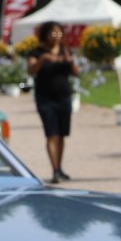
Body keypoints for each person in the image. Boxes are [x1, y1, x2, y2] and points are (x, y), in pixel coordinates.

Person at [27, 21, 75, 183]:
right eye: (53, 33)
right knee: (51, 134)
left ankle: (60, 168)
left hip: (64, 97)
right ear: (45, 34)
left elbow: (76, 72)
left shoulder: (65, 50)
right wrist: (43, 59)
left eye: (59, 32)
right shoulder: (37, 52)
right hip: (45, 99)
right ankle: (54, 169)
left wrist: (70, 61)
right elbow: (31, 70)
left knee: (61, 135)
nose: (56, 36)